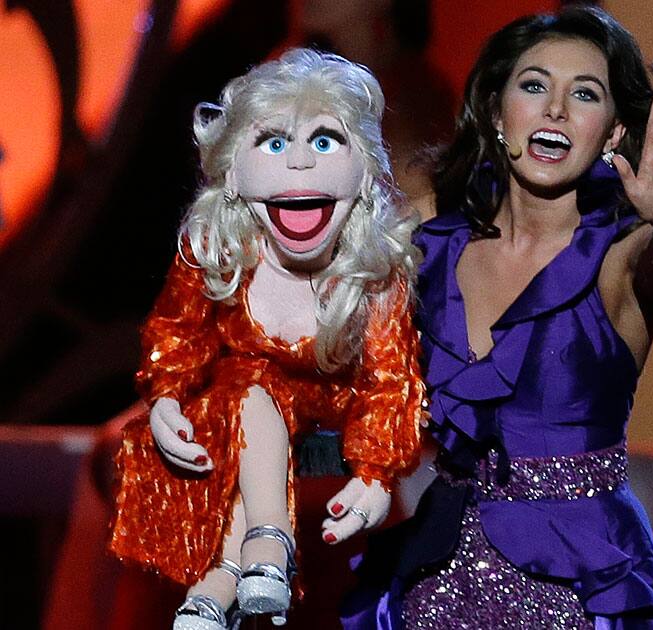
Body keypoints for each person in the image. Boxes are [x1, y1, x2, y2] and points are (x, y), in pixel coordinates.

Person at [342, 5, 653, 629]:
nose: (556, 109)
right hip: (437, 580)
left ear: (614, 134)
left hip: (581, 588)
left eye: (585, 94)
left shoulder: (620, 256)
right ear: (495, 111)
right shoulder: (429, 250)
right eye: (535, 85)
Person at [109, 48, 425, 629]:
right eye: (274, 143)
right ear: (232, 173)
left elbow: (392, 378)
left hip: (331, 415)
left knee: (253, 385)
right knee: (247, 386)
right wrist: (167, 401)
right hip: (239, 410)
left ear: (364, 171)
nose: (300, 163)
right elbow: (176, 333)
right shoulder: (217, 251)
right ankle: (252, 561)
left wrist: (378, 472)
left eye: (326, 141)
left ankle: (239, 568)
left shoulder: (375, 273)